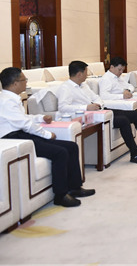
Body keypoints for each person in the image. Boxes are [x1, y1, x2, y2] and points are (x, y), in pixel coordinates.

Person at [0, 67, 95, 207]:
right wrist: (47, 134)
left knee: (71, 146)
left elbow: (24, 118)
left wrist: (41, 117)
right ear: (15, 83)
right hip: (15, 139)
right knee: (60, 152)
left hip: (22, 134)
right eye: (24, 80)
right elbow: (25, 124)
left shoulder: (11, 98)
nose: (26, 82)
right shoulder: (6, 102)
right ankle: (60, 195)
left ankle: (74, 187)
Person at [57, 60, 137, 164]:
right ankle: (135, 154)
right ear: (79, 74)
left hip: (101, 110)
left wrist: (98, 104)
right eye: (85, 73)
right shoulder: (65, 88)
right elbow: (63, 107)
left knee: (136, 115)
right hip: (89, 116)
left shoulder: (83, 85)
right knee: (123, 120)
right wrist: (86, 107)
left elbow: (96, 97)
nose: (87, 75)